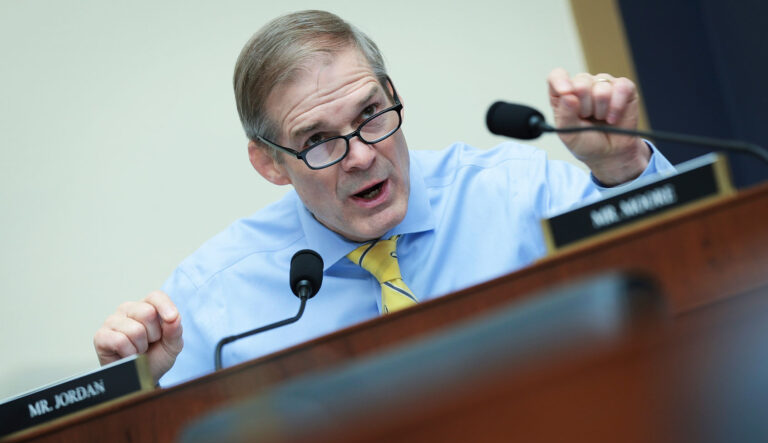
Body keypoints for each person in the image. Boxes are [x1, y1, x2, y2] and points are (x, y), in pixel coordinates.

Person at [93, 10, 674, 387]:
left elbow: (685, 276)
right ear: (268, 163)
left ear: (392, 96)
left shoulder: (515, 191)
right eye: (317, 140)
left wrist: (623, 168)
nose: (362, 156)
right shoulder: (211, 304)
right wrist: (133, 391)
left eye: (371, 114)